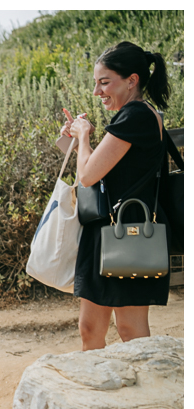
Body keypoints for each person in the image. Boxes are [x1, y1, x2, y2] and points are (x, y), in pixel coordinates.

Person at [59, 42, 171, 351]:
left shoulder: (135, 116)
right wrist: (80, 139)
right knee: (90, 328)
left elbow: (87, 176)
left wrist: (83, 135)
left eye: (104, 82)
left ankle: (142, 396)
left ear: (131, 80)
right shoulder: (136, 115)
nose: (97, 91)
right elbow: (102, 170)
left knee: (130, 330)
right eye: (96, 83)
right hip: (113, 228)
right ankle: (95, 396)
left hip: (127, 231)